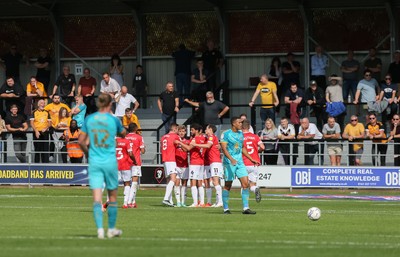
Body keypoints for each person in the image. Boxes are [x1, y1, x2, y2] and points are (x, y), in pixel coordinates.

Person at [78, 93, 125, 239]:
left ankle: (99, 230)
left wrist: (88, 153)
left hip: (95, 161)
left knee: (97, 198)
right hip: (110, 161)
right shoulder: (113, 119)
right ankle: (111, 229)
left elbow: (80, 141)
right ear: (110, 104)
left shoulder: (89, 119)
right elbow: (123, 133)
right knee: (112, 197)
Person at [220, 116, 259, 215]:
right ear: (234, 123)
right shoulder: (226, 134)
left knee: (245, 184)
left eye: (241, 123)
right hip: (229, 163)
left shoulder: (241, 134)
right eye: (239, 122)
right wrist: (231, 159)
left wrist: (251, 159)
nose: (241, 124)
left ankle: (246, 208)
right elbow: (224, 149)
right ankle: (226, 209)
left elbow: (242, 148)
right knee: (228, 185)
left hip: (240, 162)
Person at [190, 124, 223, 207]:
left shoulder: (211, 137)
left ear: (210, 129)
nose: (205, 130)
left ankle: (220, 201)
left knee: (215, 181)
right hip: (212, 162)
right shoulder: (210, 137)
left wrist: (196, 145)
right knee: (214, 181)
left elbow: (208, 145)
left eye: (207, 129)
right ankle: (217, 201)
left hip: (215, 161)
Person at [178, 123, 206, 207]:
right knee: (200, 183)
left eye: (192, 130)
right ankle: (202, 202)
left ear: (196, 131)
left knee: (193, 182)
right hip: (201, 162)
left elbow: (188, 148)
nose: (191, 131)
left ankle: (194, 203)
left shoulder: (194, 139)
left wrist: (180, 143)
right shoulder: (203, 138)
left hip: (194, 162)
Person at [242, 119, 264, 203]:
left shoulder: (240, 137)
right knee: (252, 185)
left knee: (244, 185)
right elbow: (263, 147)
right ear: (249, 127)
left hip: (244, 163)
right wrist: (256, 151)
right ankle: (255, 189)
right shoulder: (255, 136)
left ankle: (245, 204)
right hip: (254, 163)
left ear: (242, 127)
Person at [125, 123, 145, 208]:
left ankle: (133, 201)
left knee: (127, 182)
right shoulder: (139, 137)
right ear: (136, 128)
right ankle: (129, 202)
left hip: (125, 162)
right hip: (135, 162)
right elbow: (143, 151)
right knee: (134, 182)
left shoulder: (125, 137)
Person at [160, 123, 180, 207]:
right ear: (174, 129)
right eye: (177, 130)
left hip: (165, 159)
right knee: (173, 178)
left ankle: (170, 201)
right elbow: (179, 145)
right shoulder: (175, 136)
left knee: (169, 180)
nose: (178, 132)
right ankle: (166, 199)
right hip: (171, 159)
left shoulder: (163, 137)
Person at [116, 133, 135, 208]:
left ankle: (110, 201)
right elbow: (130, 153)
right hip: (125, 165)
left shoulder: (114, 140)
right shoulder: (127, 141)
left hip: (115, 165)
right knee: (127, 183)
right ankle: (125, 203)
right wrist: (135, 161)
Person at [30, 99, 51, 163]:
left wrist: (46, 127)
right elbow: (31, 123)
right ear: (38, 104)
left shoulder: (47, 112)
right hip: (37, 132)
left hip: (45, 132)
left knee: (45, 149)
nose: (43, 104)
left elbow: (50, 123)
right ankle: (36, 165)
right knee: (37, 149)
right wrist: (36, 131)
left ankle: (45, 165)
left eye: (44, 103)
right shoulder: (34, 112)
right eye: (41, 103)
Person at [175, 125, 190, 207]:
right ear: (178, 132)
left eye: (183, 131)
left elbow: (187, 149)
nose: (181, 133)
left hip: (185, 164)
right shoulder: (175, 140)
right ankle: (178, 201)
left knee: (184, 183)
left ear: (185, 132)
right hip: (176, 164)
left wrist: (181, 144)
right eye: (180, 131)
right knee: (177, 182)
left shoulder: (187, 141)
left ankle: (183, 201)